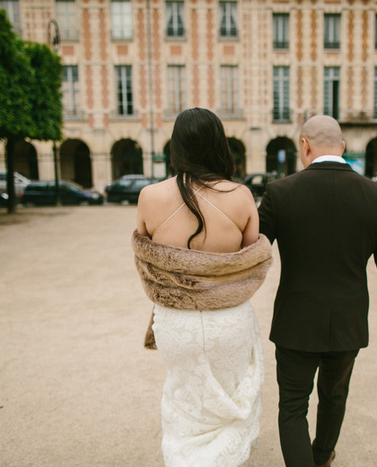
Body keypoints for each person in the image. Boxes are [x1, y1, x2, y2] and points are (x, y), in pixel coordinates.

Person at [258, 115, 377, 467]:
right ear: (343, 147)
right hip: (348, 321)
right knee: (334, 396)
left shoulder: (280, 193)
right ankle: (323, 457)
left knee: (293, 406)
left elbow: (251, 253)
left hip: (295, 321)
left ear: (304, 146)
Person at [133, 108, 273, 466]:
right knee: (228, 402)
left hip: (175, 323)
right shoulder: (241, 195)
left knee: (184, 402)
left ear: (175, 147)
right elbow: (252, 259)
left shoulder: (150, 195)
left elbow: (147, 257)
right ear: (219, 144)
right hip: (229, 321)